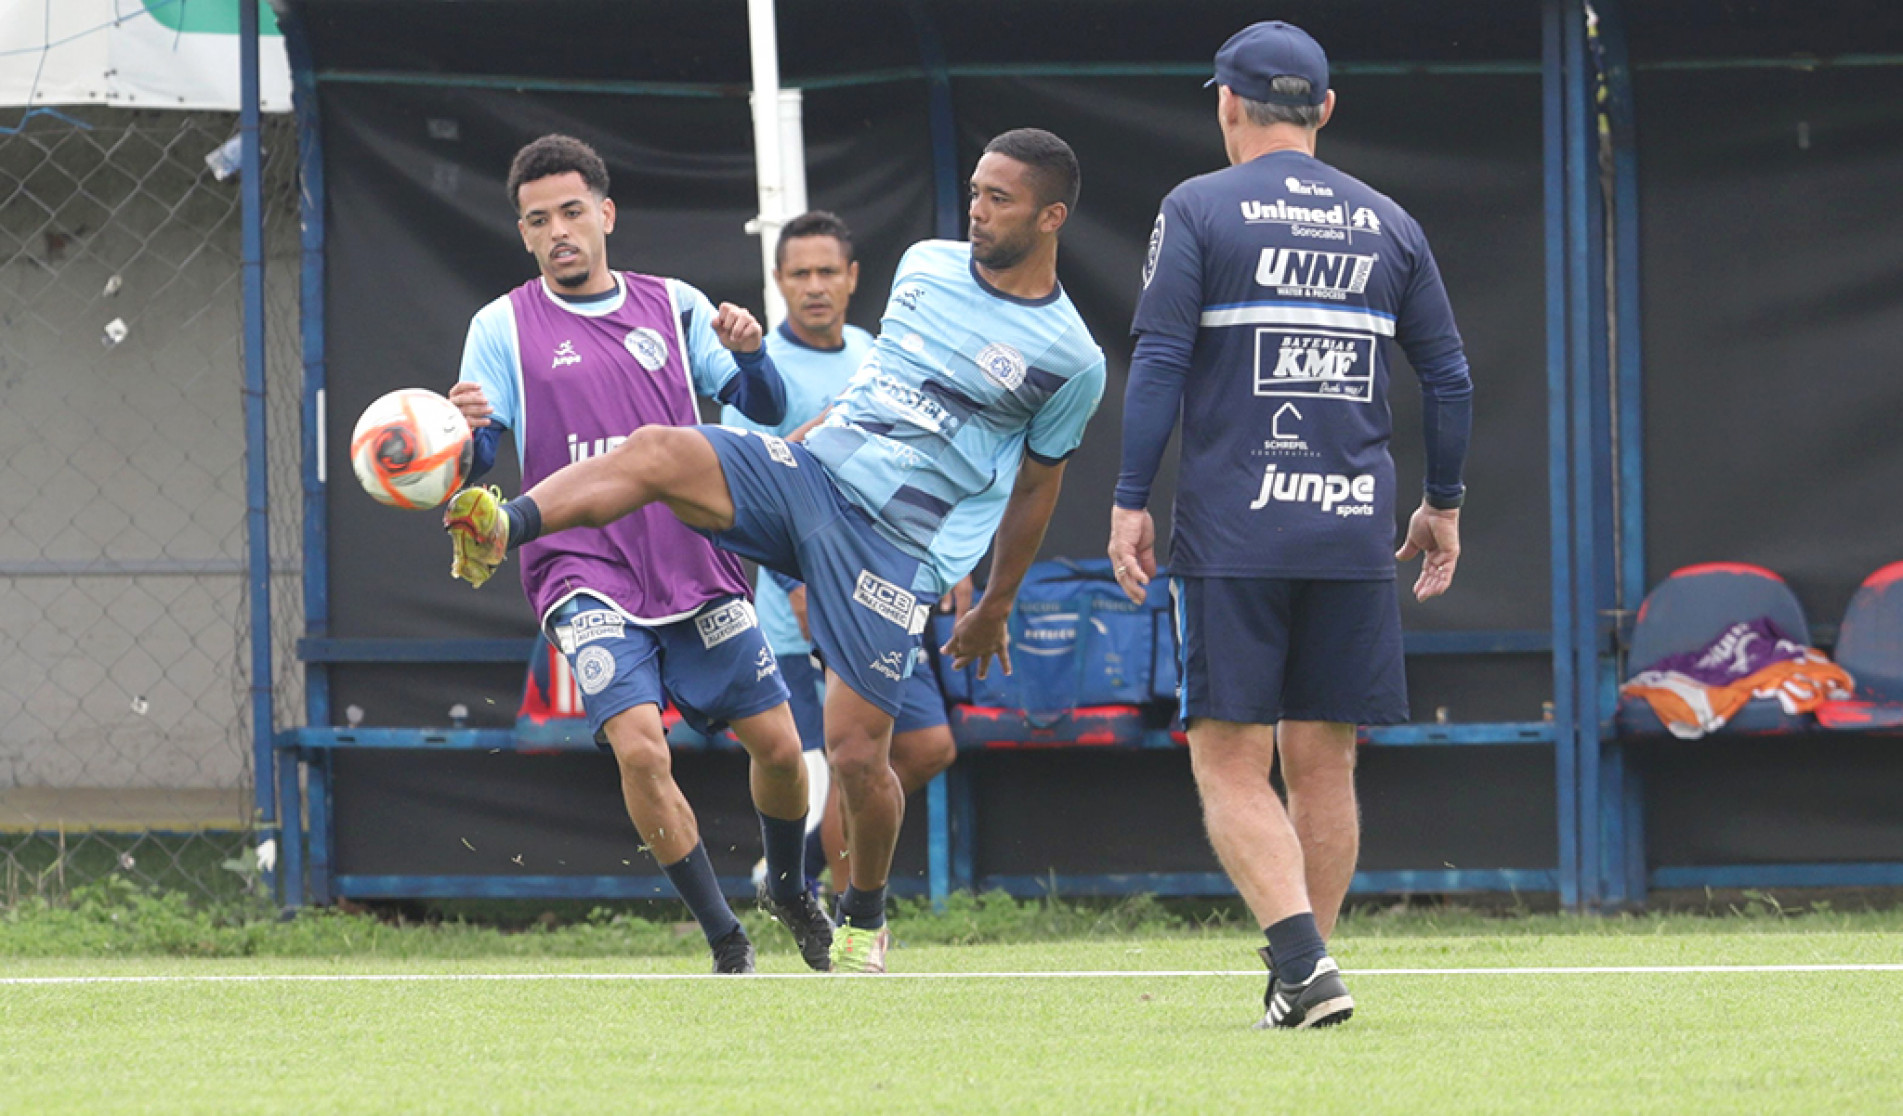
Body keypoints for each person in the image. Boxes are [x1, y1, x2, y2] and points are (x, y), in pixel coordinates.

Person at [447, 128, 1106, 973]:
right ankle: (504, 525)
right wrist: (784, 457)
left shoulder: (1072, 359)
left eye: (998, 200)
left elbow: (1037, 486)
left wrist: (994, 604)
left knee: (858, 756)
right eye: (974, 192)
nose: (975, 211)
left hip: (893, 544)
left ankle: (859, 910)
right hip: (807, 481)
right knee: (661, 448)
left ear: (1051, 216)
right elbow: (865, 398)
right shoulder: (925, 264)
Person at [1107, 21, 1473, 1029]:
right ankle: (1305, 970)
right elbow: (1446, 375)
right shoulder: (1388, 222)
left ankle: (1303, 964)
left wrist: (1129, 498)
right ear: (1323, 110)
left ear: (1225, 103)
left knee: (1228, 759)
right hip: (1352, 533)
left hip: (1235, 533)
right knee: (1326, 762)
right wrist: (1440, 502)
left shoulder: (1196, 209)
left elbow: (1161, 364)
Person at [445, 134, 834, 974]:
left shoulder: (674, 305)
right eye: (539, 219)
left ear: (606, 214)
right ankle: (726, 940)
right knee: (639, 746)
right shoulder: (501, 326)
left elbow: (761, 408)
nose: (559, 232)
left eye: (573, 212)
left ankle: (792, 888)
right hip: (580, 572)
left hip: (691, 561)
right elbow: (481, 462)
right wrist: (464, 431)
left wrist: (751, 350)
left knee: (777, 747)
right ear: (522, 232)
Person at [720, 211, 961, 903]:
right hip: (802, 611)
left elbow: (911, 463)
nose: (815, 286)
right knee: (851, 763)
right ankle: (845, 923)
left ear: (854, 278)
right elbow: (758, 492)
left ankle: (794, 876)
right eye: (800, 273)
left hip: (884, 596)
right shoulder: (760, 375)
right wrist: (799, 583)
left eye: (828, 271)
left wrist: (954, 560)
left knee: (925, 749)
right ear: (778, 282)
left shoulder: (875, 354)